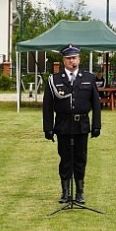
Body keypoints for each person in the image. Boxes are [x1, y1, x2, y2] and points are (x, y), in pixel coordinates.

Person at [42, 44, 102, 205]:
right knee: (65, 159)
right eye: (69, 58)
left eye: (74, 58)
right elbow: (47, 105)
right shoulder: (54, 80)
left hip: (81, 124)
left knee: (80, 158)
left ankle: (80, 192)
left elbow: (96, 103)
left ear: (79, 59)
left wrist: (97, 125)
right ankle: (66, 192)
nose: (72, 61)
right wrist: (48, 128)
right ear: (64, 61)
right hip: (63, 125)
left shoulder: (88, 78)